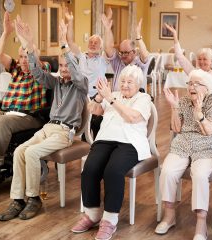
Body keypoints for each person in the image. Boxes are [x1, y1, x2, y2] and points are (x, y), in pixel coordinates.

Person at [0, 17, 88, 221]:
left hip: (65, 132)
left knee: (31, 153)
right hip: (48, 128)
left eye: (67, 65)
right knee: (21, 150)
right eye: (62, 65)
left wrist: (65, 43)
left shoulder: (81, 84)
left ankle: (34, 198)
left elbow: (75, 70)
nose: (64, 69)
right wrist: (28, 45)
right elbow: (37, 73)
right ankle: (18, 200)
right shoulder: (56, 83)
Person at [71, 65, 152, 240]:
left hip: (130, 143)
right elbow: (94, 110)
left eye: (130, 82)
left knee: (113, 171)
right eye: (122, 81)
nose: (125, 85)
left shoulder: (144, 98)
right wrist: (100, 98)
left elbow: (131, 117)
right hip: (105, 139)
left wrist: (111, 99)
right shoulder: (112, 94)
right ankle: (92, 214)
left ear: (138, 84)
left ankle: (109, 220)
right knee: (90, 169)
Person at [155, 69, 212, 240]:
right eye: (190, 83)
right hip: (183, 144)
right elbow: (176, 128)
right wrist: (174, 106)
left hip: (206, 147)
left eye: (196, 84)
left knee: (200, 174)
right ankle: (169, 216)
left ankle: (201, 224)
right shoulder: (184, 101)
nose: (191, 86)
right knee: (168, 171)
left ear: (206, 88)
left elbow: (209, 131)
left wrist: (199, 113)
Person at [0, 12, 50, 181]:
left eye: (27, 57)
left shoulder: (42, 69)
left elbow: (34, 60)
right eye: (21, 57)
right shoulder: (16, 69)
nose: (24, 61)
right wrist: (6, 32)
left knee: (2, 121)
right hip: (10, 113)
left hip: (31, 116)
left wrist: (28, 41)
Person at [64, 7, 109, 137]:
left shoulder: (103, 60)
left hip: (96, 97)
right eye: (91, 42)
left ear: (100, 47)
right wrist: (71, 21)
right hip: (80, 96)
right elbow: (70, 41)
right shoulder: (81, 56)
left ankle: (94, 140)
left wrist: (106, 28)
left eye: (96, 43)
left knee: (95, 123)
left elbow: (108, 47)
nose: (93, 44)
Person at [101, 9, 150, 91]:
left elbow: (145, 55)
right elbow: (108, 48)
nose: (123, 55)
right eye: (121, 52)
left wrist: (138, 35)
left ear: (134, 52)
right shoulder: (118, 61)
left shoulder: (139, 62)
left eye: (126, 53)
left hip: (135, 100)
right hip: (117, 98)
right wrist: (107, 29)